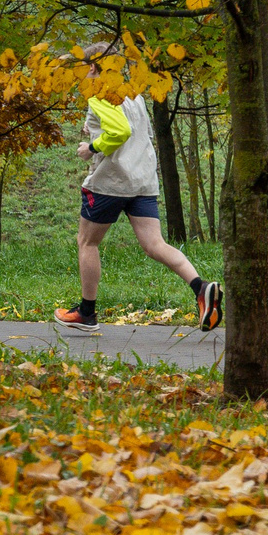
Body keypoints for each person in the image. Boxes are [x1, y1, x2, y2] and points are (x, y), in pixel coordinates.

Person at [56, 61, 224, 333]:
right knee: (155, 244)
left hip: (110, 182)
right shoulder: (134, 94)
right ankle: (201, 289)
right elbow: (137, 131)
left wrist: (92, 146)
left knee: (87, 242)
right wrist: (96, 129)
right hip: (143, 181)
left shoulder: (98, 94)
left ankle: (86, 312)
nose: (80, 74)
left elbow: (120, 132)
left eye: (83, 68)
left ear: (93, 68)